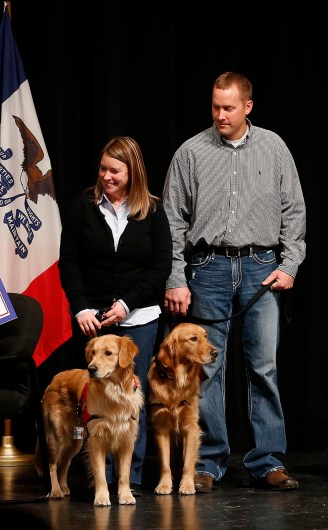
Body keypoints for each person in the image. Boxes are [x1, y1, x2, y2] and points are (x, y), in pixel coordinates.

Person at [162, 71, 306, 493]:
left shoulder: (274, 147)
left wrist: (290, 263)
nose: (220, 115)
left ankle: (268, 461)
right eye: (215, 106)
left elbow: (294, 211)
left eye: (228, 107)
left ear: (247, 106)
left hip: (262, 266)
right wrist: (176, 276)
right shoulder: (190, 152)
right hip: (208, 267)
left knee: (264, 366)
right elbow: (172, 221)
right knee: (207, 369)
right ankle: (206, 463)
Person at [58, 136, 172, 495]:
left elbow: (160, 266)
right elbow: (70, 262)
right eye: (102, 169)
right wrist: (81, 307)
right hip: (94, 319)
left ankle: (130, 479)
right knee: (97, 402)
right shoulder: (83, 205)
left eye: (114, 171)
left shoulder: (152, 209)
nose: (106, 176)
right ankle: (99, 480)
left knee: (130, 402)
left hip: (139, 318)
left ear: (132, 172)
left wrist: (127, 303)